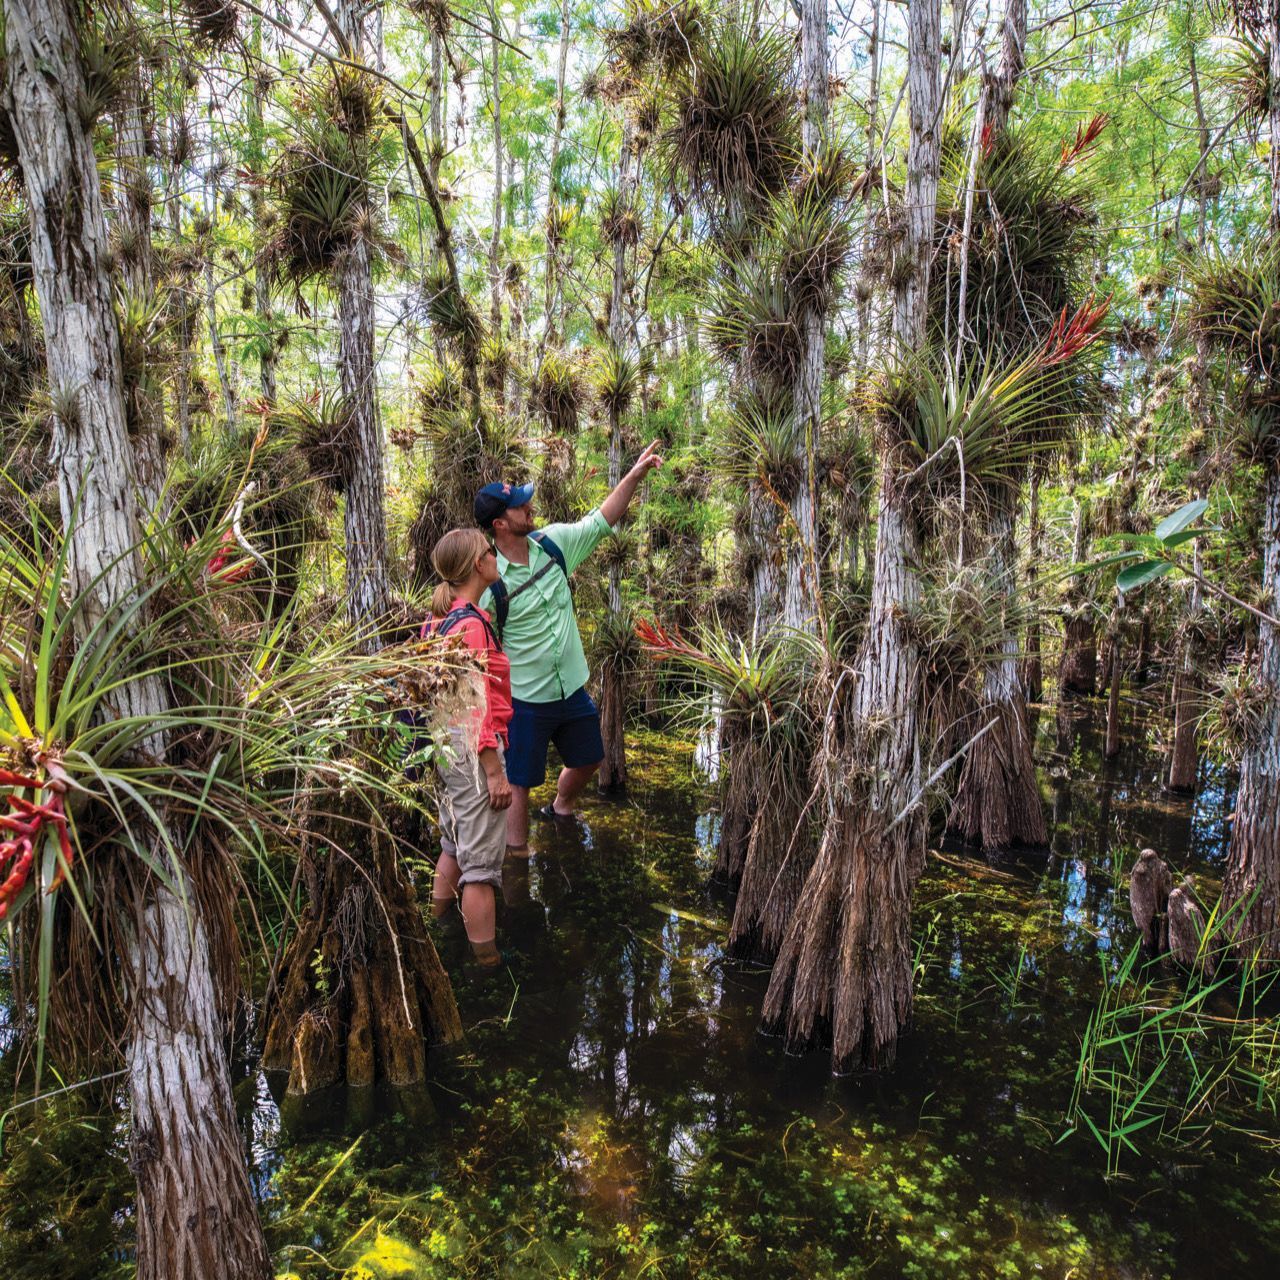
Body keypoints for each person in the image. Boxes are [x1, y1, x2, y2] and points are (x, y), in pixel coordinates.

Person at [475, 440, 664, 852]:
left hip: (571, 688)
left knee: (590, 758)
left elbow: (601, 520)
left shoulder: (554, 544)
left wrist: (633, 475)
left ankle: (561, 805)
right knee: (520, 784)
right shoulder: (490, 584)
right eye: (519, 505)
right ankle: (517, 860)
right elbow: (471, 642)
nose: (529, 506)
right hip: (526, 699)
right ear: (499, 525)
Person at [423, 528, 512, 968]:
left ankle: (438, 932)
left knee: (453, 845)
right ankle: (488, 966)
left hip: (443, 746)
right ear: (478, 565)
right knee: (480, 869)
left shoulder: (439, 618)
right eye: (490, 551)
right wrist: (493, 769)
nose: (496, 556)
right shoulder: (472, 624)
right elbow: (476, 703)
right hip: (474, 753)